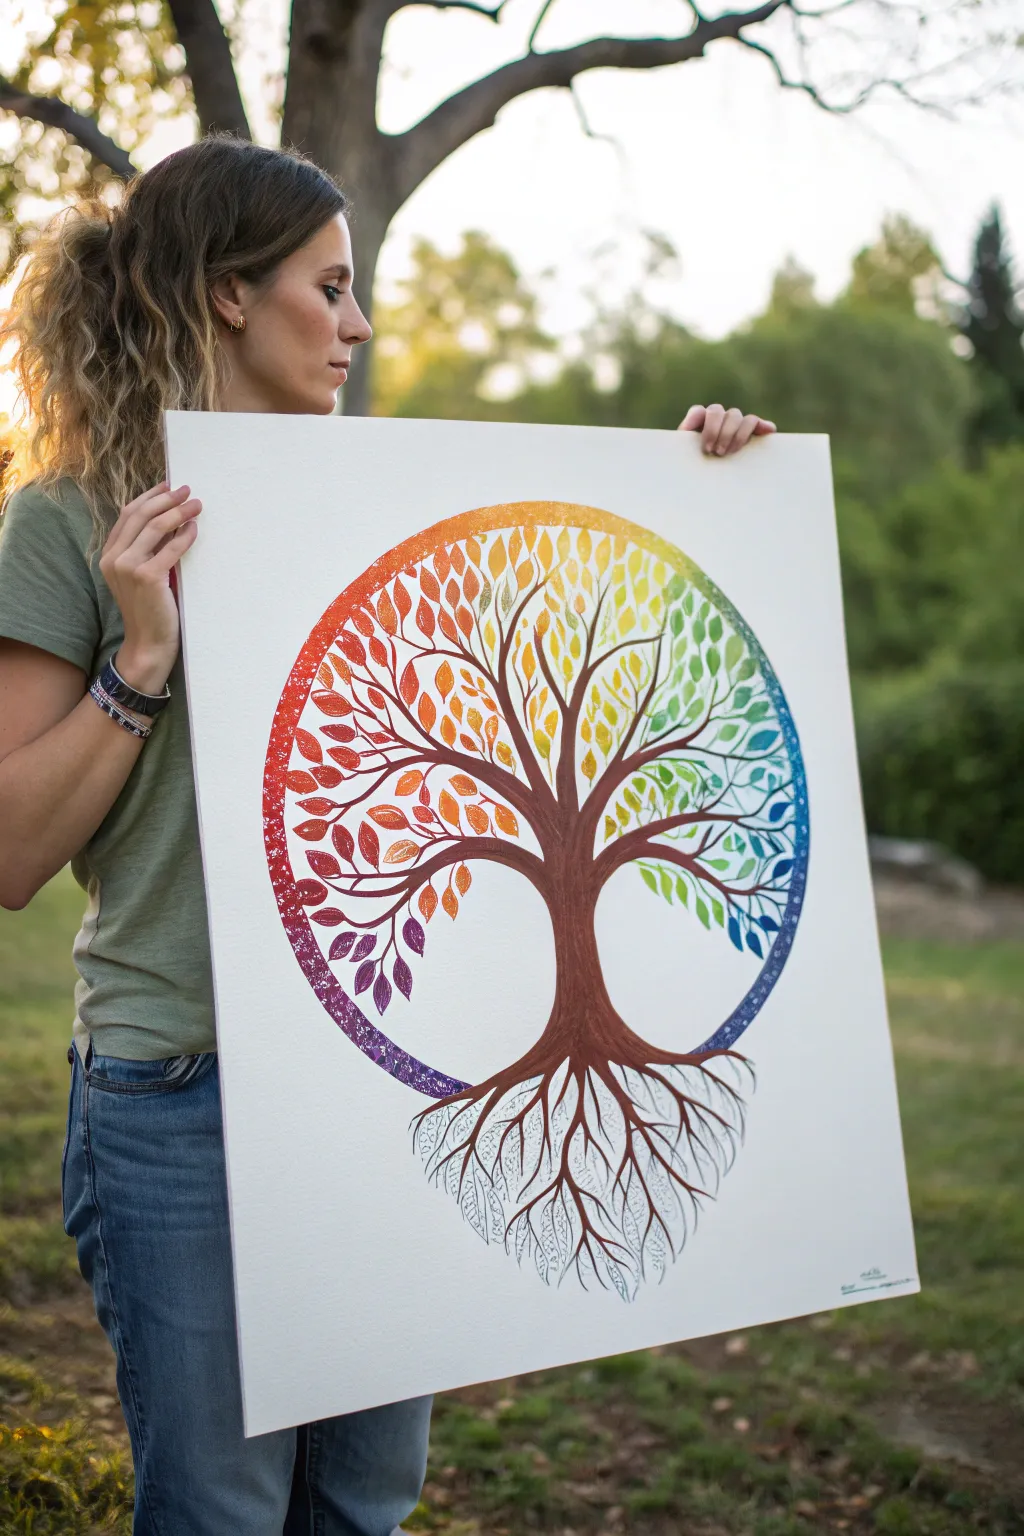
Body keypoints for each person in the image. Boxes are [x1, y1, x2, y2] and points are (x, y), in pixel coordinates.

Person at [0, 134, 777, 1535]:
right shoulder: (67, 524)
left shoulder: (393, 506)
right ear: (230, 296)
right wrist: (141, 656)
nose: (359, 324)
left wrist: (705, 495)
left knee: (362, 1504)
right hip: (187, 1095)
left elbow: (576, 642)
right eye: (331, 286)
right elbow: (7, 857)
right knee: (221, 1513)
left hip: (385, 1081)